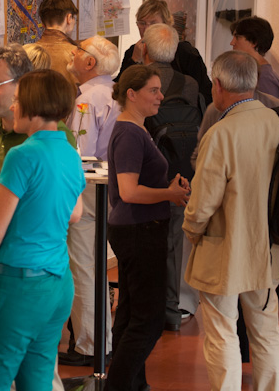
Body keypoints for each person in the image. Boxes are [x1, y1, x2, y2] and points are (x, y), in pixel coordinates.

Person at [0, 45, 75, 391]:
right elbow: (75, 208)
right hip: (51, 275)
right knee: (35, 377)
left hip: (11, 272)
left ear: (22, 87)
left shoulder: (29, 151)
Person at [183, 51, 279, 391]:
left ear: (217, 85)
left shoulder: (220, 133)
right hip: (268, 245)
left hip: (223, 248)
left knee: (222, 332)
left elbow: (202, 204)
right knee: (267, 329)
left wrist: (191, 231)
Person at [105, 65, 191, 391]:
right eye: (153, 90)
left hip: (137, 229)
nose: (161, 96)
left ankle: (134, 385)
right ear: (132, 94)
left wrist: (167, 188)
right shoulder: (130, 133)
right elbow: (128, 192)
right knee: (150, 321)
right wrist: (168, 194)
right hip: (139, 231)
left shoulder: (136, 129)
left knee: (131, 315)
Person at [59, 35, 121, 367]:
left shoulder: (87, 100)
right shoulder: (115, 93)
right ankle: (101, 338)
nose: (72, 52)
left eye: (78, 50)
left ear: (89, 62)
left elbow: (80, 154)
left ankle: (89, 345)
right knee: (96, 265)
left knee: (83, 265)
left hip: (89, 188)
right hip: (112, 189)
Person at [139, 22, 201, 332]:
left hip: (147, 172)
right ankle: (175, 306)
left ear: (145, 49)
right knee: (177, 239)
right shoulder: (189, 83)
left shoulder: (138, 80)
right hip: (182, 170)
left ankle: (149, 305)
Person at [117, 0, 212, 105]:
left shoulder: (185, 52)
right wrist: (133, 60)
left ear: (166, 24)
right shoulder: (133, 51)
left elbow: (206, 94)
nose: (147, 28)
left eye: (153, 23)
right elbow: (119, 92)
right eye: (142, 23)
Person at [230, 15, 279, 101]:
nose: (232, 43)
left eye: (237, 37)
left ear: (254, 42)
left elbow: (269, 109)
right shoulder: (255, 73)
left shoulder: (265, 79)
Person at [36, 0, 80, 84]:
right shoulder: (76, 54)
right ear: (69, 18)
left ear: (42, 23)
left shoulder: (28, 52)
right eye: (74, 18)